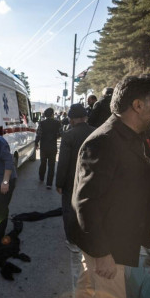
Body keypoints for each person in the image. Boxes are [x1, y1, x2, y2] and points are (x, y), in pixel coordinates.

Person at [71, 75, 150, 298]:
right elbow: (87, 202)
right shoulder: (106, 140)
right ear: (137, 104)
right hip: (106, 241)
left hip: (113, 235)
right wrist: (101, 253)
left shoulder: (133, 135)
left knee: (89, 286)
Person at [55, 104, 95, 253]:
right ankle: (86, 237)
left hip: (72, 180)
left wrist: (59, 183)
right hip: (92, 178)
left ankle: (72, 240)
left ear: (71, 120)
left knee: (69, 209)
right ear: (85, 118)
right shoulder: (95, 132)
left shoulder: (69, 135)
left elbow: (63, 162)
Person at [35, 108, 61, 189]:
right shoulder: (57, 123)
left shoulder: (41, 123)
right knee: (51, 165)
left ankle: (41, 177)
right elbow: (60, 133)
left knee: (43, 163)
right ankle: (49, 184)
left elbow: (38, 134)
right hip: (53, 146)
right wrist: (55, 136)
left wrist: (36, 143)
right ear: (53, 114)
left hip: (44, 146)